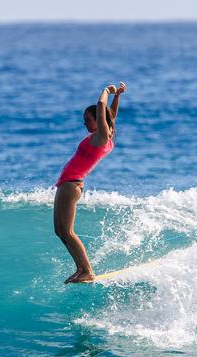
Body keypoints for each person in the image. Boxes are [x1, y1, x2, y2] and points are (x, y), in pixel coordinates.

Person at [53, 82, 126, 283]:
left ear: (98, 120)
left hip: (71, 185)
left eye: (87, 119)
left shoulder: (102, 138)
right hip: (68, 184)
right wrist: (117, 97)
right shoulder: (104, 135)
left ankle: (86, 270)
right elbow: (110, 114)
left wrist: (106, 92)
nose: (84, 123)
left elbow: (103, 109)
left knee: (66, 231)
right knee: (60, 232)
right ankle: (81, 269)